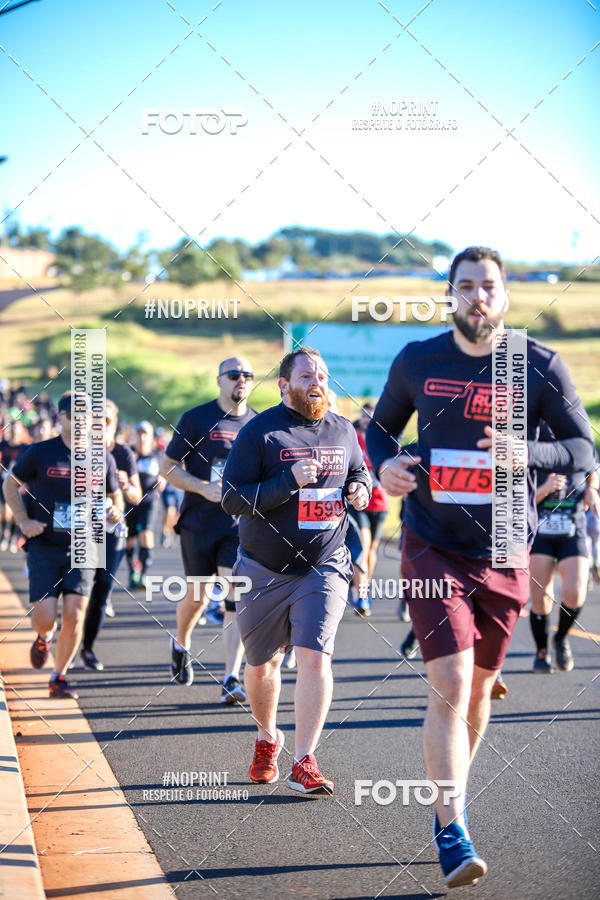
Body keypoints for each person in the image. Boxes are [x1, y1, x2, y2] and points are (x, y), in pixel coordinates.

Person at [366, 246, 594, 888]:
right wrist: (384, 464)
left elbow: (582, 447)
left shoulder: (537, 366)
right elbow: (380, 430)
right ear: (450, 295)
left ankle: (450, 804)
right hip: (431, 540)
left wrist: (529, 450)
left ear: (505, 296)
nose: (477, 297)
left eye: (488, 287)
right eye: (464, 286)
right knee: (452, 679)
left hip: (504, 549)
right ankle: (452, 823)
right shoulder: (418, 360)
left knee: (479, 688)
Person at [222, 347, 371, 794]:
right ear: (285, 385)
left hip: (324, 565)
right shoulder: (260, 434)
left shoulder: (343, 430)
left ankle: (304, 760)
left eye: (322, 374)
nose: (317, 381)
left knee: (314, 655)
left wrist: (360, 489)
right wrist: (289, 481)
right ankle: (268, 737)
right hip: (263, 567)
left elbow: (359, 473)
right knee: (261, 666)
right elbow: (231, 498)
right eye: (307, 375)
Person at [3, 391, 122, 699]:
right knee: (45, 617)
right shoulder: (41, 452)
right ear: (61, 418)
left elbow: (115, 498)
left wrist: (114, 510)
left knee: (76, 614)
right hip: (45, 544)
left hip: (84, 546)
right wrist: (23, 522)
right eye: (73, 416)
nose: (80, 422)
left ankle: (59, 676)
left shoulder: (102, 456)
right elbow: (10, 485)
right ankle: (44, 637)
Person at [160, 357, 256, 703]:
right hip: (199, 521)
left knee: (236, 596)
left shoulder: (257, 423)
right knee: (198, 597)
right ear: (219, 380)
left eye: (247, 375)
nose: (241, 380)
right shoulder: (197, 418)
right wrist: (202, 487)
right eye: (234, 375)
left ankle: (231, 677)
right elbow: (167, 468)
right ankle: (181, 641)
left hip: (237, 525)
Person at [529, 424, 599, 673]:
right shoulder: (533, 450)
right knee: (541, 598)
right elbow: (519, 498)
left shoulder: (579, 442)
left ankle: (560, 640)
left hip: (573, 531)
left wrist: (592, 489)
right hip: (541, 534)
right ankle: (542, 650)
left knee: (575, 593)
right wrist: (544, 490)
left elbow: (593, 468)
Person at [80, 400, 142, 668]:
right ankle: (66, 639)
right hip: (81, 528)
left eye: (106, 421)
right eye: (97, 420)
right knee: (77, 589)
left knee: (102, 587)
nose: (101, 426)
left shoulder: (124, 454)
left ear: (114, 423)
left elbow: (137, 497)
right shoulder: (78, 450)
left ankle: (87, 648)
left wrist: (126, 484)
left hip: (112, 528)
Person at [352, 403, 389, 615]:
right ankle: (361, 595)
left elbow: (394, 462)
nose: (367, 419)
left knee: (372, 551)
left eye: (371, 416)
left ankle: (363, 587)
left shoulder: (383, 439)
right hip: (359, 502)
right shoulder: (354, 438)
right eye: (364, 415)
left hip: (380, 503)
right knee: (363, 548)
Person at [125, 421, 162, 590]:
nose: (141, 437)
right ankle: (133, 571)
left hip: (149, 501)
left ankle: (144, 574)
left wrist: (164, 479)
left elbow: (167, 472)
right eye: (139, 434)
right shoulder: (129, 454)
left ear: (151, 437)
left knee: (146, 535)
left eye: (145, 434)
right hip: (131, 502)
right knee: (129, 539)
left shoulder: (157, 456)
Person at [1, 418, 31, 552]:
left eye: (16, 428)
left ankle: (12, 537)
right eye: (12, 427)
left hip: (17, 482)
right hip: (3, 481)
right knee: (4, 513)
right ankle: (4, 535)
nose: (13, 430)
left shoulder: (24, 447)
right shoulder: (3, 444)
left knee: (12, 512)